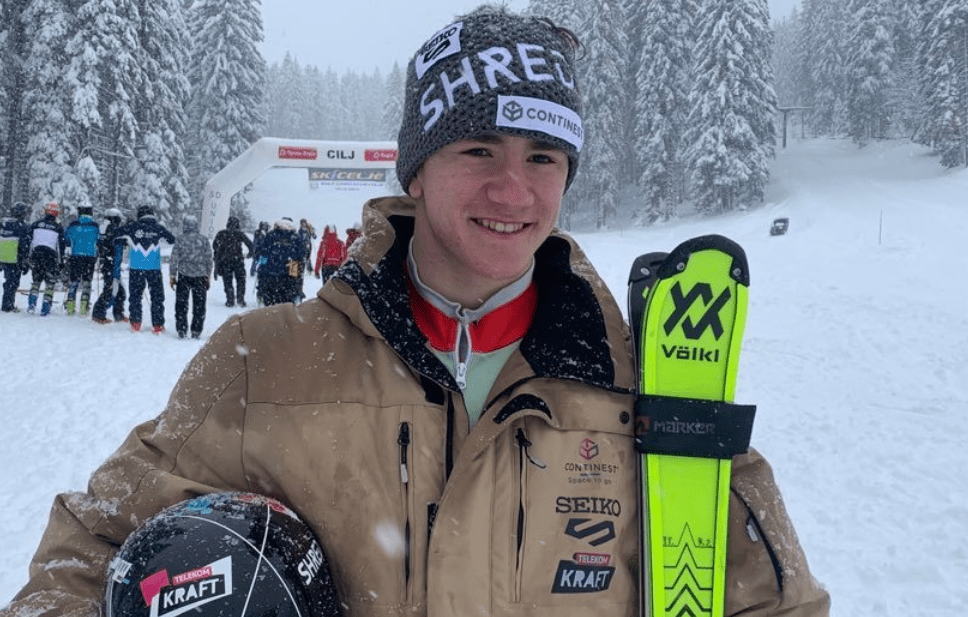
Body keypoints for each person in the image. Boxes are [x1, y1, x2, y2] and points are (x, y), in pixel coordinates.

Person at [1, 7, 829, 617]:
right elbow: (84, 551)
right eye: (479, 149)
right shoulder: (262, 362)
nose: (514, 189)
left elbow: (777, 598)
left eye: (543, 156)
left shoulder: (643, 381)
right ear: (418, 170)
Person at [116, 205, 175, 333]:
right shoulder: (158, 227)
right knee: (157, 296)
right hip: (153, 267)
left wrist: (126, 238)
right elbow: (171, 240)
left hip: (136, 267)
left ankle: (135, 323)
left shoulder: (132, 227)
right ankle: (158, 325)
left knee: (135, 296)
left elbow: (116, 234)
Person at [169, 216, 213, 339]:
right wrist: (208, 275)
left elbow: (174, 259)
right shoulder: (204, 240)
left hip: (184, 275)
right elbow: (209, 259)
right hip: (200, 276)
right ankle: (196, 330)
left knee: (181, 304)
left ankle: (181, 329)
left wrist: (172, 275)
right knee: (199, 305)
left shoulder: (180, 239)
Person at [25, 201, 66, 316]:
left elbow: (29, 241)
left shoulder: (36, 224)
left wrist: (28, 257)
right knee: (50, 282)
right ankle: (45, 307)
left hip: (37, 255)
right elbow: (60, 247)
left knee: (36, 281)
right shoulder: (58, 227)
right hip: (50, 257)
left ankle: (31, 304)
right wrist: (61, 262)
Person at [91, 208, 128, 324]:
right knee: (110, 291)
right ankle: (98, 314)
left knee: (120, 291)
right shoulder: (112, 229)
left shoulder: (104, 228)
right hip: (112, 264)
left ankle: (118, 314)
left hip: (110, 264)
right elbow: (117, 243)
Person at [256, 217, 304, 306]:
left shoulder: (270, 235)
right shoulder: (295, 237)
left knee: (270, 304)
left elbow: (264, 254)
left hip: (270, 273)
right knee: (287, 304)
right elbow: (299, 256)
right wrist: (297, 280)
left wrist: (261, 272)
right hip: (289, 273)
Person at [63, 205, 100, 316]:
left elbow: (66, 239)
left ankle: (70, 306)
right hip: (90, 257)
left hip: (76, 256)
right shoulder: (95, 226)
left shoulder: (73, 225)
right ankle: (84, 306)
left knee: (74, 281)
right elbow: (99, 240)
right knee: (87, 281)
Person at [212, 215, 253, 307]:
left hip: (225, 261)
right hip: (238, 260)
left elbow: (215, 246)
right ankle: (240, 300)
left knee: (227, 281)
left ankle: (230, 300)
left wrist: (219, 255)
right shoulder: (240, 233)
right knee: (241, 280)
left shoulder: (221, 233)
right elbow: (250, 244)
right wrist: (249, 254)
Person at [0, 202, 32, 313]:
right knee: (12, 283)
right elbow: (25, 245)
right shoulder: (23, 227)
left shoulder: (3, 224)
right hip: (14, 259)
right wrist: (25, 261)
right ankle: (8, 306)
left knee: (8, 282)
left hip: (3, 257)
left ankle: (7, 304)